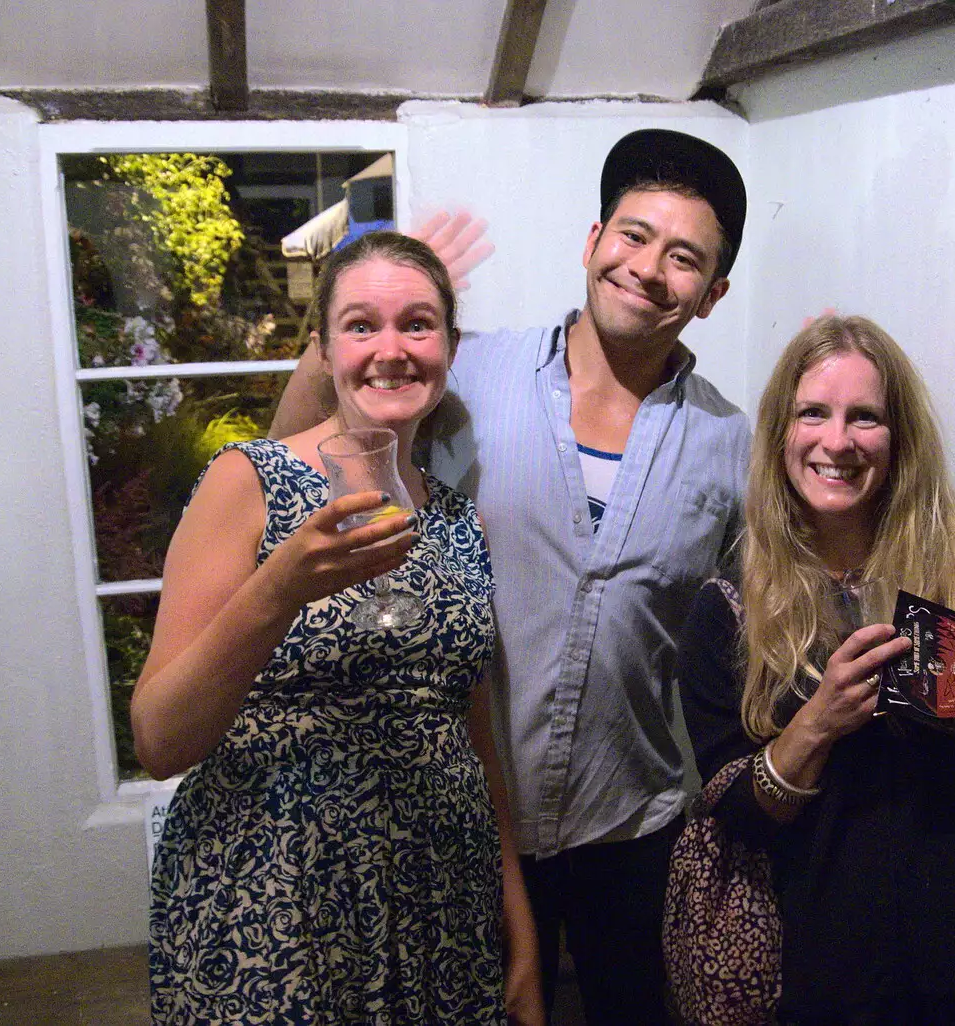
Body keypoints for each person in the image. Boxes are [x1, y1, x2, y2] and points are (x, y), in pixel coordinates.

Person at [272, 129, 751, 1025]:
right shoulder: (472, 373)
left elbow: (769, 613)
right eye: (633, 236)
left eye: (684, 258)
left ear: (712, 295)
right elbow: (292, 452)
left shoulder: (731, 445)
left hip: (632, 826)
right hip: (459, 821)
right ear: (593, 242)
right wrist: (356, 316)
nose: (648, 268)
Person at [133, 230, 542, 1025]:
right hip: (274, 902)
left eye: (417, 324)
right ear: (322, 346)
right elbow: (158, 740)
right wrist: (280, 587)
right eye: (361, 325)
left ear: (450, 347)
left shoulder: (461, 523)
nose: (391, 350)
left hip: (440, 903)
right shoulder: (248, 481)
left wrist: (516, 919)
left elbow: (471, 732)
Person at [676, 315, 955, 1025]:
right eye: (814, 414)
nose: (838, 441)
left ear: (899, 437)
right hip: (825, 976)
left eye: (866, 418)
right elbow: (737, 816)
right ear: (779, 435)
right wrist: (817, 723)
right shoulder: (732, 604)